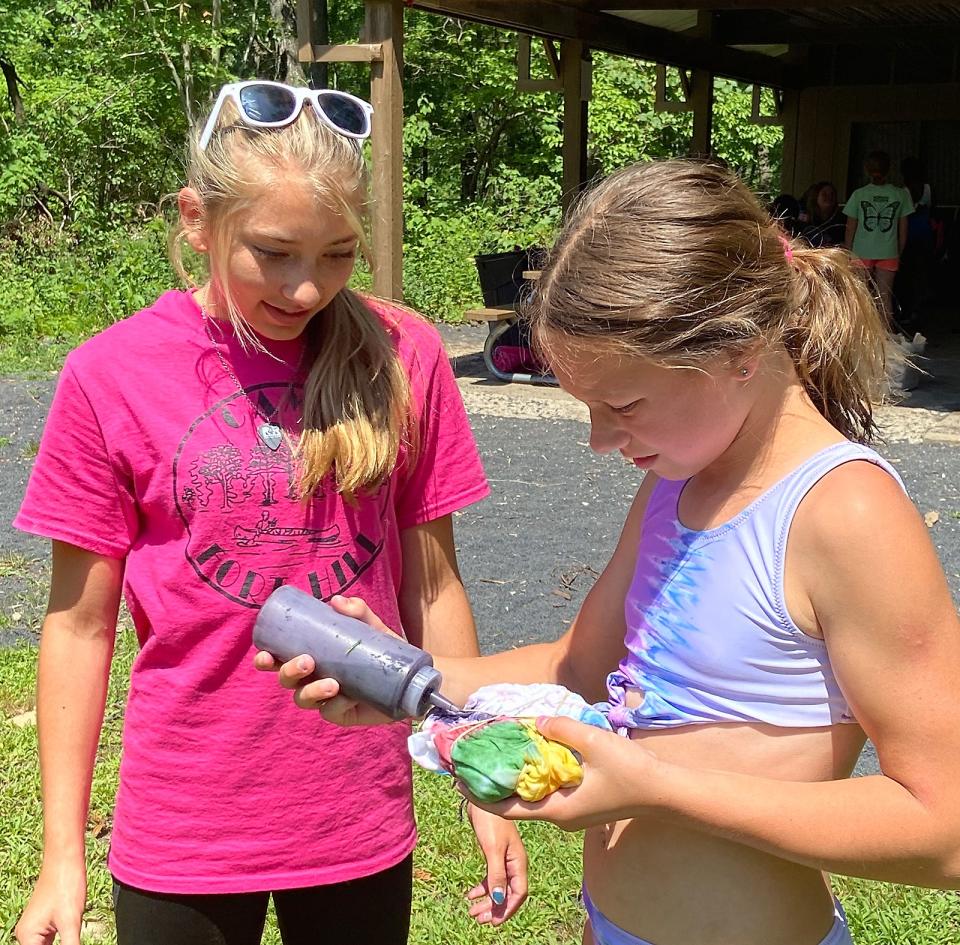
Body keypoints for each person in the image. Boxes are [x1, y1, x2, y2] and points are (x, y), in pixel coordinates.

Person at [266, 159, 960, 945]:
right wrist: (405, 680)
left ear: (742, 346)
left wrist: (656, 789)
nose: (600, 440)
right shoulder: (680, 477)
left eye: (623, 404)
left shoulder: (845, 511)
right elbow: (577, 666)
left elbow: (943, 829)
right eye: (588, 408)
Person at [13, 80, 526, 945]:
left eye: (337, 253)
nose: (305, 289)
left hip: (353, 811)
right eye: (273, 251)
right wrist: (61, 853)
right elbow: (79, 626)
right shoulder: (110, 374)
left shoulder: (406, 356)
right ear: (196, 220)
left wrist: (480, 771)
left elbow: (434, 586)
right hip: (185, 819)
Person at [844, 150, 914, 328]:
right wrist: (899, 251)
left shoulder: (859, 195)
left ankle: (859, 334)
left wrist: (847, 250)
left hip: (861, 251)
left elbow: (851, 227)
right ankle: (885, 339)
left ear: (867, 170)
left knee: (860, 295)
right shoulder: (901, 195)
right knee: (885, 296)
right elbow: (903, 229)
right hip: (889, 251)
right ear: (889, 169)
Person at [801, 181, 845, 248]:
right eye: (824, 194)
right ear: (816, 197)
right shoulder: (805, 217)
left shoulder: (841, 220)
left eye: (832, 194)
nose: (829, 197)